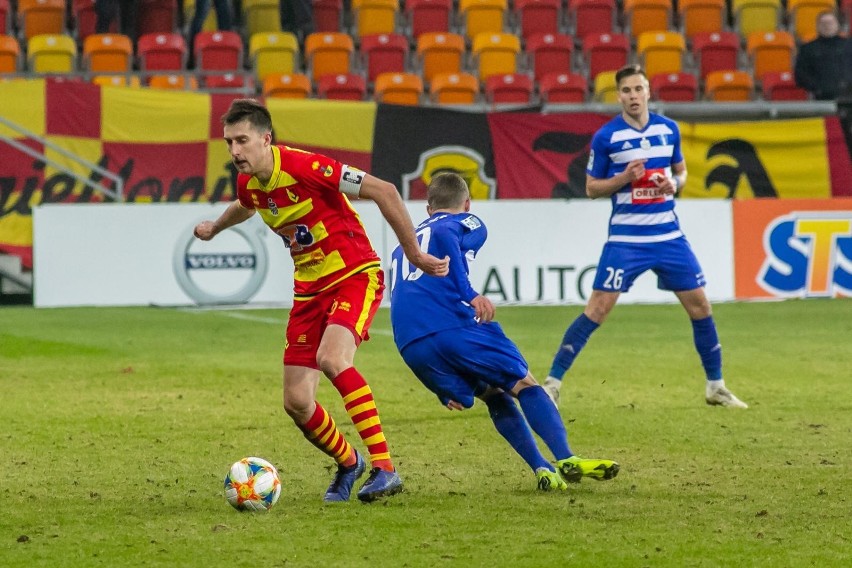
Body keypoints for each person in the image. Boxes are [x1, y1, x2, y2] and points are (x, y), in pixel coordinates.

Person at [194, 99, 449, 502]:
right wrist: (215, 228)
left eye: (242, 141)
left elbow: (383, 190)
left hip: (353, 274)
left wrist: (415, 253)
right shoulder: (249, 183)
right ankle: (350, 463)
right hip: (309, 291)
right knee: (296, 402)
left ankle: (385, 468)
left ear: (266, 138)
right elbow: (246, 206)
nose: (235, 151)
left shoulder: (307, 167)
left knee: (333, 359)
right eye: (228, 142)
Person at [389, 172, 619, 491]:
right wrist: (470, 293)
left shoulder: (403, 247)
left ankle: (542, 469)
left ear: (428, 208)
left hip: (411, 345)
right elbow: (448, 238)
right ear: (467, 203)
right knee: (523, 382)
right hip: (453, 327)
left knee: (492, 394)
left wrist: (440, 384)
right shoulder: (467, 222)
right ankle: (567, 459)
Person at [542, 65, 748, 410]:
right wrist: (623, 177)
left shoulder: (669, 130)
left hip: (669, 235)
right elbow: (592, 188)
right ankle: (552, 383)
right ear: (618, 96)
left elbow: (680, 173)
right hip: (626, 240)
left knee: (701, 306)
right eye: (626, 91)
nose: (633, 96)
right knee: (597, 309)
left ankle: (716, 386)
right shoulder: (607, 137)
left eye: (639, 89)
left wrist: (675, 184)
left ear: (648, 92)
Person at [794, 11, 849, 101]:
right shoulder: (807, 48)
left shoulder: (849, 46)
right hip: (819, 97)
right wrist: (817, 88)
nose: (827, 26)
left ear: (837, 25)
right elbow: (800, 74)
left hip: (847, 97)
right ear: (817, 26)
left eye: (830, 23)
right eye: (823, 23)